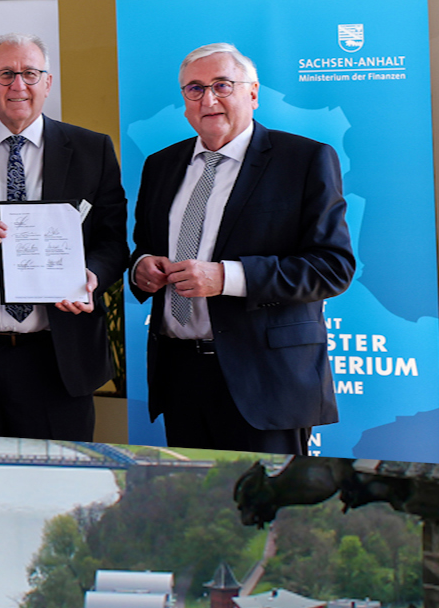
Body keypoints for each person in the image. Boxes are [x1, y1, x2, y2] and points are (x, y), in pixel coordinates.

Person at [130, 42, 353, 454]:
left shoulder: (303, 159)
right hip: (180, 375)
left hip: (265, 381)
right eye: (194, 89)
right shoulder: (160, 165)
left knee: (262, 511)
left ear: (252, 94)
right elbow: (144, 246)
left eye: (221, 85)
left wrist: (227, 277)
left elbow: (332, 266)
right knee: (194, 508)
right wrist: (142, 267)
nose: (208, 99)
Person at [0, 33, 127, 441]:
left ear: (48, 83)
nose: (18, 85)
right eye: (6, 74)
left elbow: (114, 242)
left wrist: (91, 276)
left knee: (57, 488)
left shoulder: (91, 150)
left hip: (58, 356)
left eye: (30, 74)